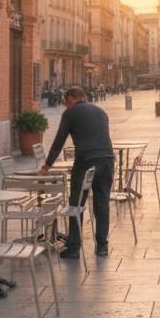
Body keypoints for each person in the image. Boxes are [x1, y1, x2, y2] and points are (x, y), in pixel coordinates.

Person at [41, 85, 114, 258]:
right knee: (102, 203)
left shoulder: (70, 113)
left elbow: (59, 140)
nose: (65, 105)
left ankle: (74, 247)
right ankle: (102, 246)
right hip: (108, 161)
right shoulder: (101, 112)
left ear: (71, 99)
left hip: (87, 161)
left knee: (76, 203)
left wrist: (47, 165)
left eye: (66, 102)